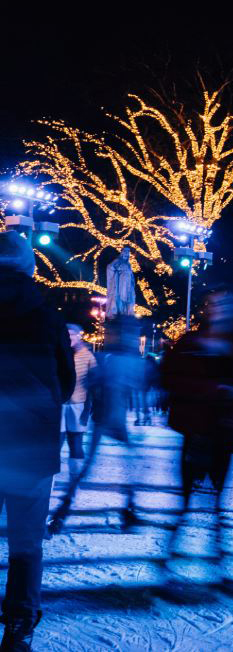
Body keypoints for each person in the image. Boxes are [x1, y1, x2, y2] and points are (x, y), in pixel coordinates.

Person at [0, 232, 74, 651]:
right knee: (26, 542)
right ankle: (19, 624)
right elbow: (65, 383)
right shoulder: (46, 312)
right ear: (28, 266)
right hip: (29, 444)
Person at [160, 290, 233, 573]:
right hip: (195, 431)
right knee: (185, 500)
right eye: (213, 304)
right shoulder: (190, 341)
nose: (218, 309)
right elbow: (168, 375)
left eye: (224, 304)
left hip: (223, 432)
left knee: (218, 499)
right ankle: (171, 559)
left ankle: (217, 562)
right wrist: (213, 389)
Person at [49, 315, 142, 535]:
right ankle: (65, 509)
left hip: (109, 419)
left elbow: (95, 382)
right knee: (119, 467)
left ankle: (65, 509)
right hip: (108, 419)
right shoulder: (113, 359)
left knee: (119, 467)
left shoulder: (109, 358)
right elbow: (94, 383)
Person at [59, 325, 96, 491]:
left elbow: (94, 385)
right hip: (59, 405)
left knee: (75, 443)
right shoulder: (60, 354)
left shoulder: (88, 356)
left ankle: (74, 479)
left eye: (72, 334)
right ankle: (49, 478)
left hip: (78, 405)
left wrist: (88, 410)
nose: (69, 337)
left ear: (79, 336)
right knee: (56, 443)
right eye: (66, 335)